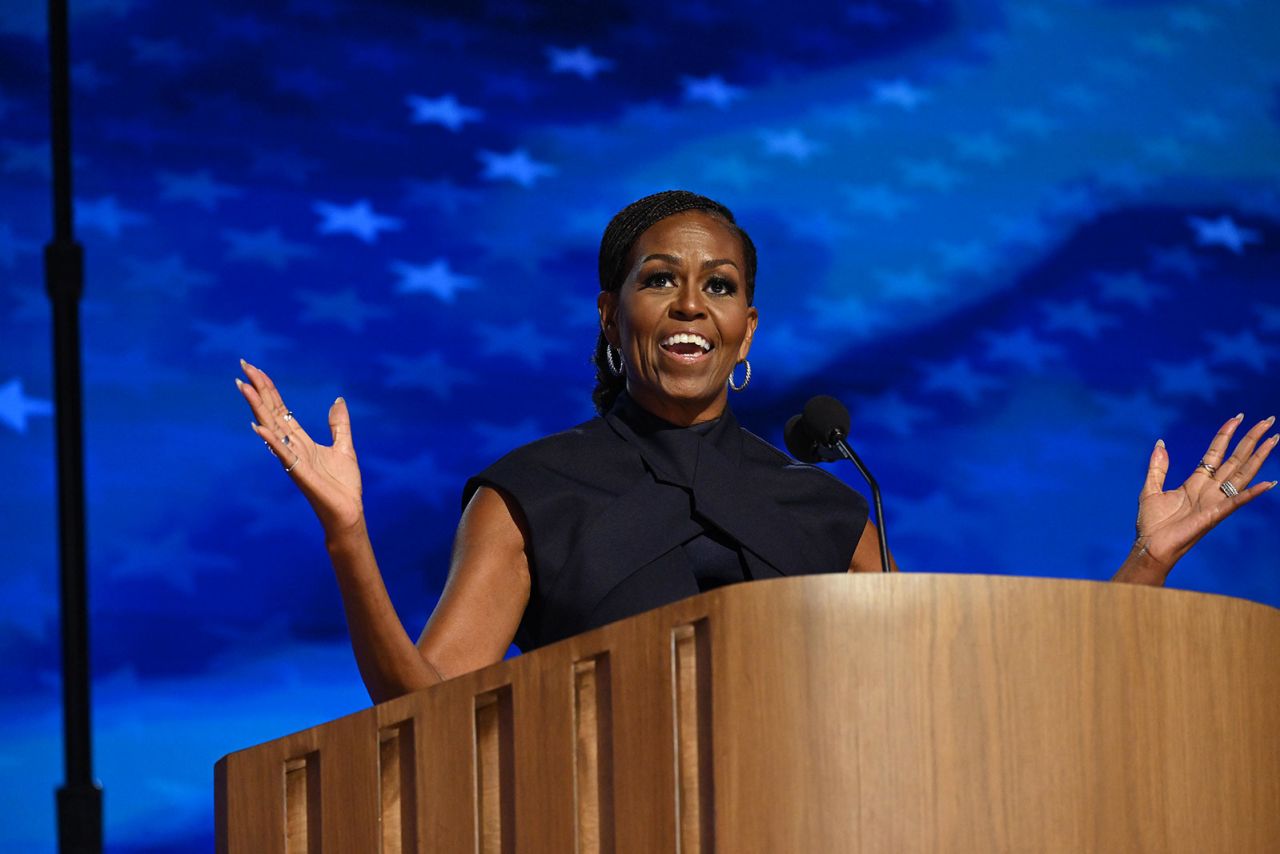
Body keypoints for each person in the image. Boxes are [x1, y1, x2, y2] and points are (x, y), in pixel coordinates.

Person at [236, 190, 1278, 705]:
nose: (690, 301)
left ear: (747, 328)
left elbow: (946, 707)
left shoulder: (827, 508)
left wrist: (1145, 564)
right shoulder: (529, 493)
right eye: (658, 278)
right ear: (610, 312)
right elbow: (420, 703)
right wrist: (346, 534)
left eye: (719, 284)